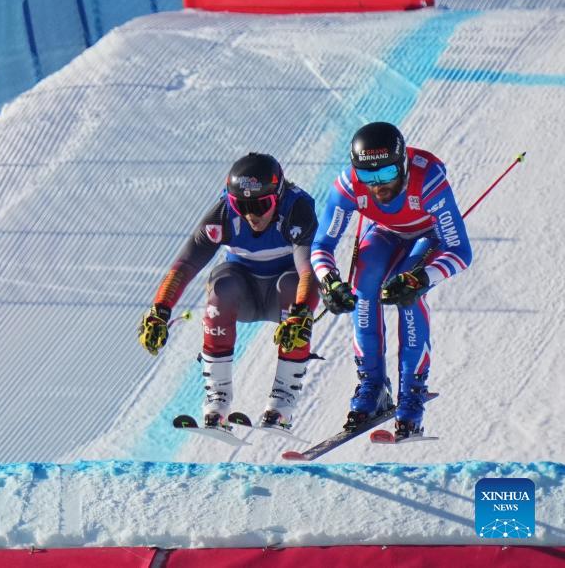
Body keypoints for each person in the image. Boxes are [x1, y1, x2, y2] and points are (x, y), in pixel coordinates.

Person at [311, 121, 471, 439]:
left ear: (403, 164)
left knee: (406, 292)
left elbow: (460, 251)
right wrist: (329, 281)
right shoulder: (348, 184)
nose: (378, 186)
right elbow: (321, 245)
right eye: (368, 176)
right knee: (364, 282)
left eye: (386, 174)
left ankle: (412, 392)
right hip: (386, 231)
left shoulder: (428, 180)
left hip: (430, 235)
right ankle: (372, 386)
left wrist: (422, 278)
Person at [139, 153, 320, 430]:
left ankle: (283, 402)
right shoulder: (222, 215)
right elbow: (185, 264)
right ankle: (217, 400)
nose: (251, 215)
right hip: (243, 294)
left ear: (279, 195)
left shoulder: (297, 210)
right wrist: (160, 310)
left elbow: (308, 270)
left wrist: (302, 312)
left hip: (284, 296)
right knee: (222, 287)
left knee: (292, 286)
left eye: (260, 205)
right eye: (241, 205)